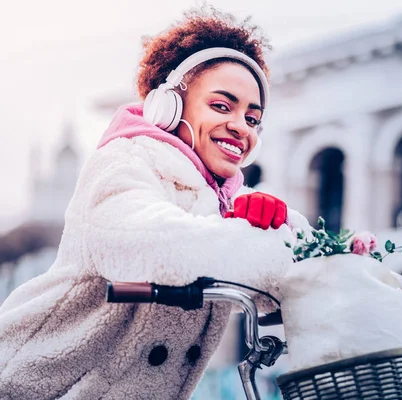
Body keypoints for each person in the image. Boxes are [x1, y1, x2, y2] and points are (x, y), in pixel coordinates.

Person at [0, 8, 310, 399]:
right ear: (169, 105)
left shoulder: (226, 200)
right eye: (221, 106)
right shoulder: (122, 164)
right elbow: (162, 249)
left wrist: (333, 255)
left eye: (253, 118)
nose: (240, 126)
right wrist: (262, 243)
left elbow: (297, 269)